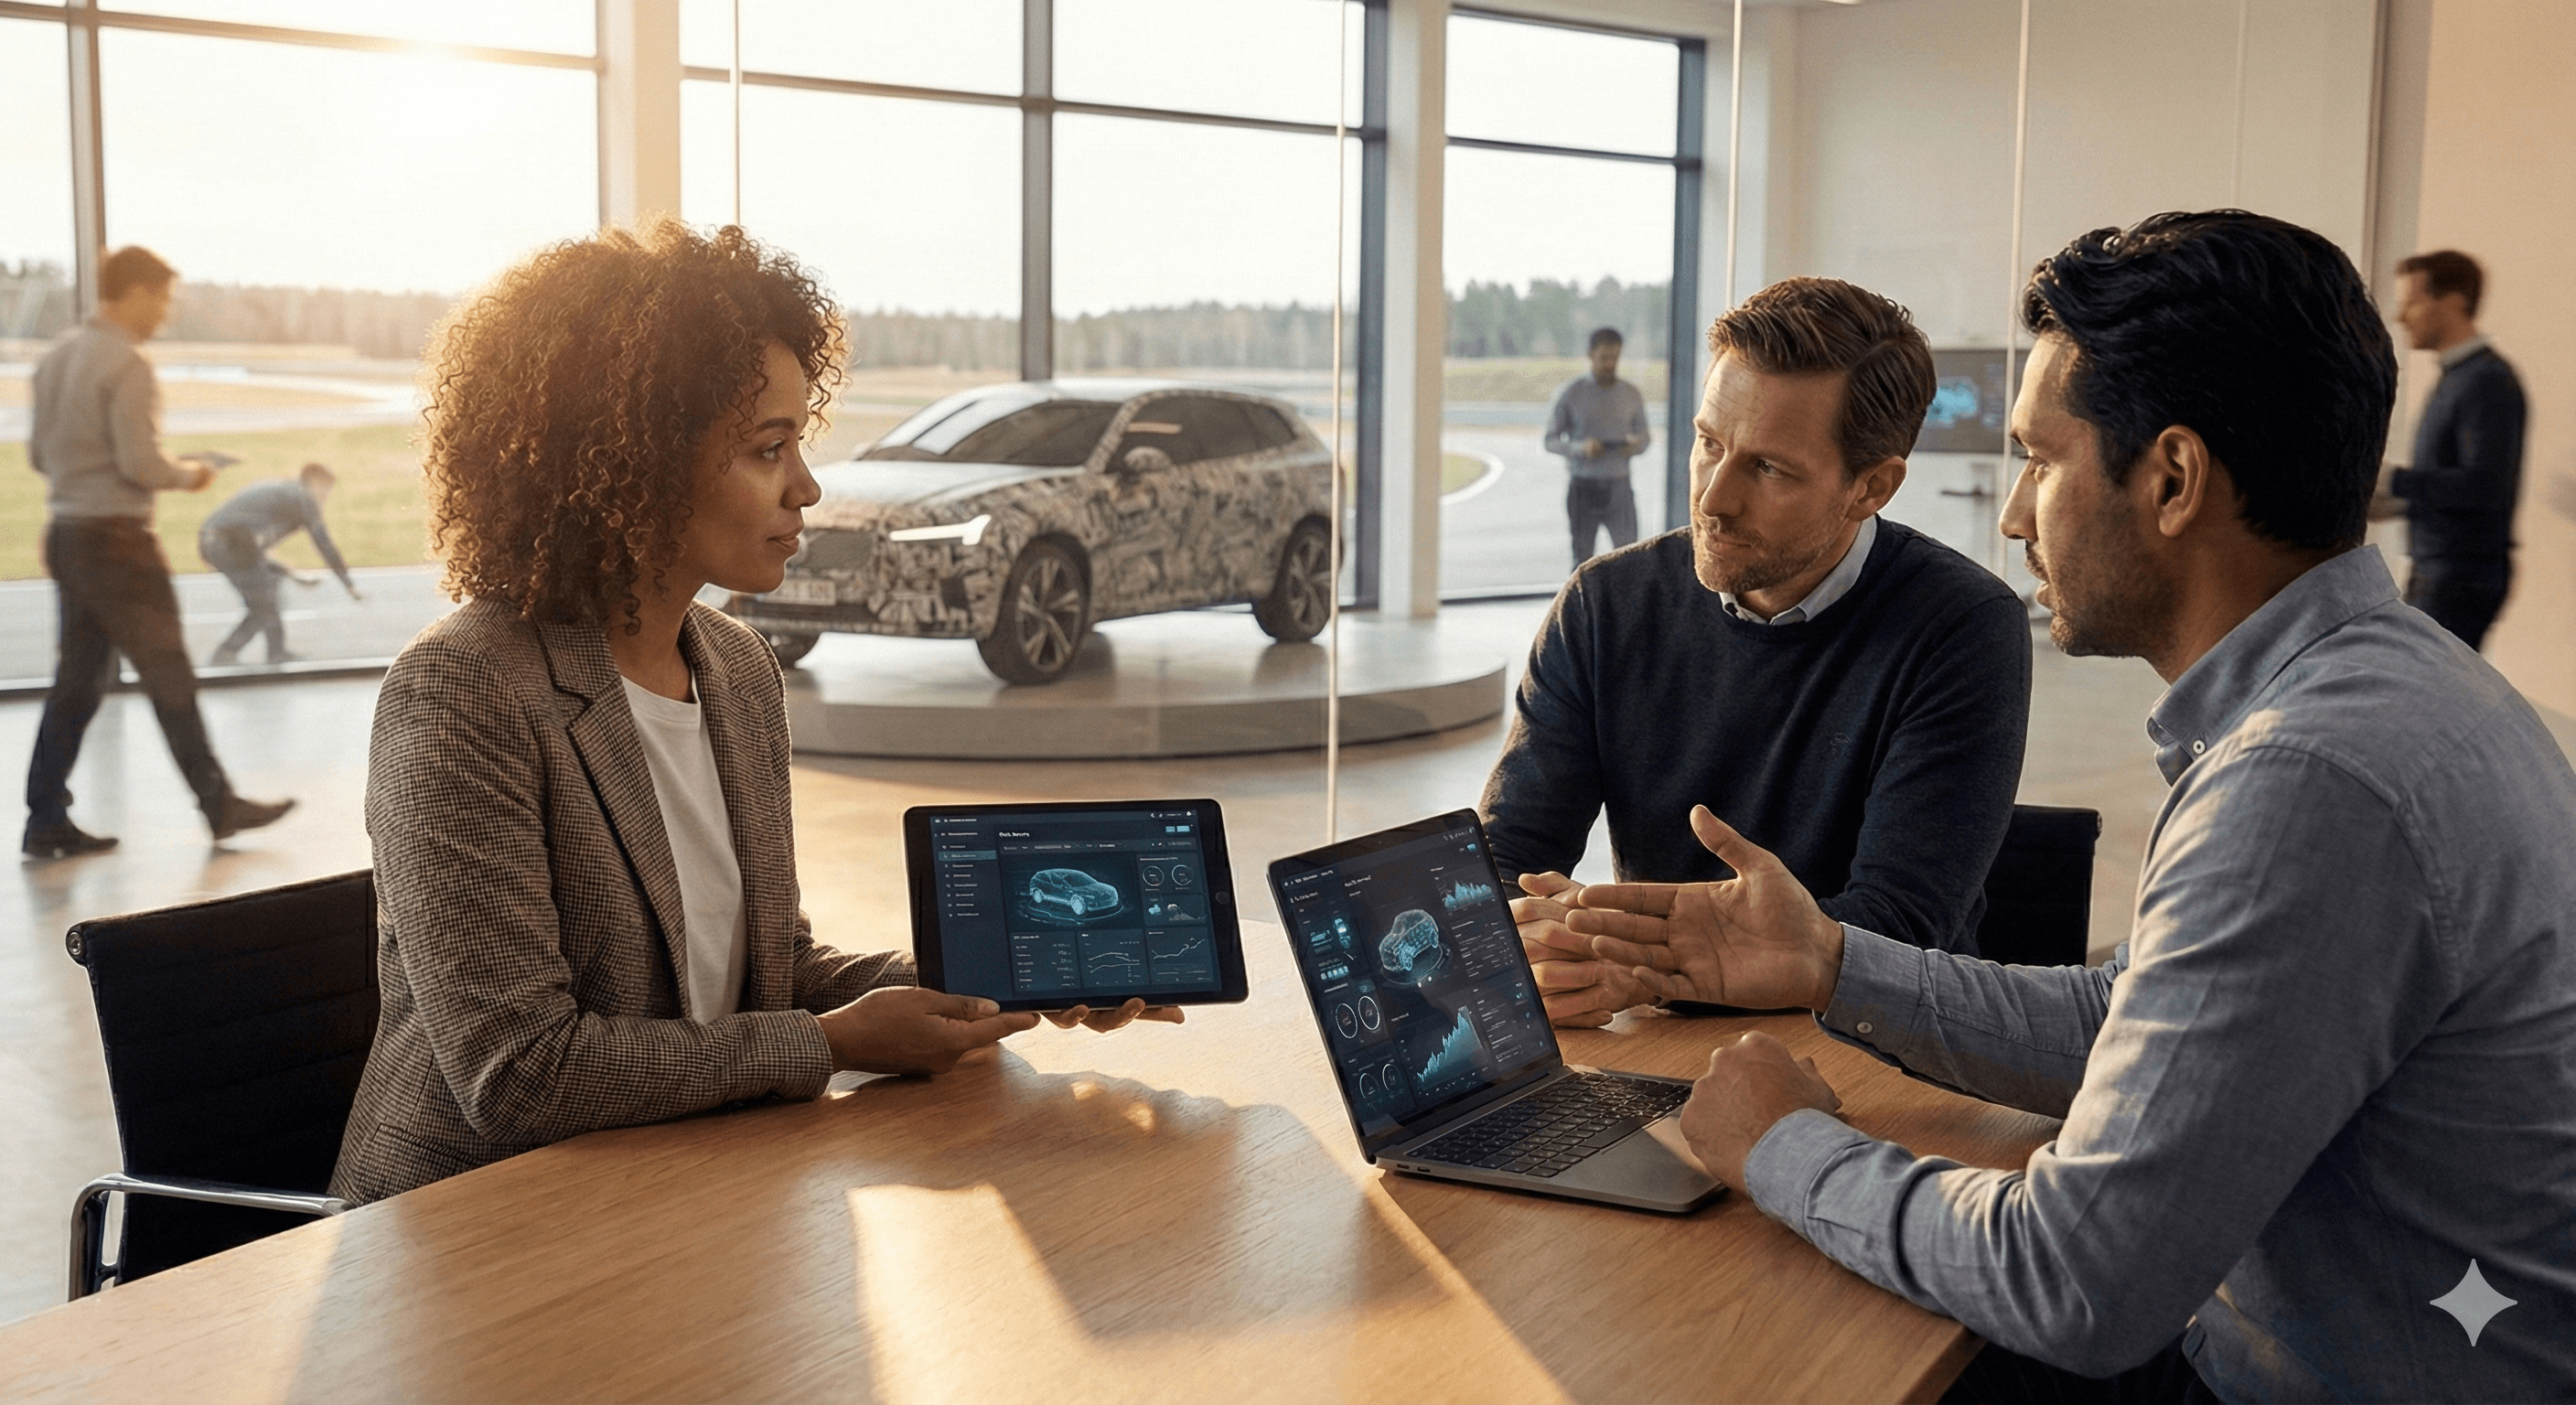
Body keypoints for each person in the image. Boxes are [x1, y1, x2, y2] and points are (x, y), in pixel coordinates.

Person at [1561, 213, 2576, 1400]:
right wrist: (1831, 962)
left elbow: (2075, 1280)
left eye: (2041, 463)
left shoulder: (2312, 778)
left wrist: (1782, 1145)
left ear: (2175, 480)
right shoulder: (2400, 687)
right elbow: (2137, 1020)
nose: (2012, 515)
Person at [331, 223, 1176, 1207]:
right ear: (628, 465)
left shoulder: (735, 668)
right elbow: (520, 1075)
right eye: (767, 448)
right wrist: (828, 1044)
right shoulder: (463, 693)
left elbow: (768, 972)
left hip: (688, 1186)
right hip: (478, 1226)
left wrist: (1009, 976)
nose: (807, 487)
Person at [1491, 278, 2030, 1027]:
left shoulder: (1963, 626)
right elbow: (1504, 859)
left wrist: (1645, 966)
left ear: (1871, 486)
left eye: (1769, 468)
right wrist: (1537, 941)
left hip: (1866, 1049)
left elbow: (1900, 927)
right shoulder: (1605, 603)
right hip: (1658, 1036)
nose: (1714, 497)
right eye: (1709, 442)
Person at [20, 244, 294, 858]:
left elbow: (39, 456)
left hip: (66, 535)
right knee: (170, 677)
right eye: (162, 299)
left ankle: (44, 818)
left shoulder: (55, 358)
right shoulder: (128, 364)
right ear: (137, 292)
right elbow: (139, 464)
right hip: (118, 543)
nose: (164, 314)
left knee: (78, 683)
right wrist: (192, 474)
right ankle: (219, 806)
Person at [2384, 250, 2527, 650]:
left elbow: (2484, 487)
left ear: (2454, 302)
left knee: (2422, 700)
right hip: (2444, 571)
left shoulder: (2486, 382)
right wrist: (2400, 503)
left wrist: (2394, 481)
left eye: (2413, 302)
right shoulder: (2461, 377)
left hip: (2457, 577)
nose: (2400, 317)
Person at [199, 461, 362, 666]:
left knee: (270, 593)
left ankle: (272, 652)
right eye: (325, 489)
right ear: (313, 481)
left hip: (219, 541)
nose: (325, 497)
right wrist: (348, 583)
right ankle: (231, 653)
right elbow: (323, 542)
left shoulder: (285, 492)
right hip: (229, 544)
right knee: (266, 602)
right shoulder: (303, 497)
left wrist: (292, 574)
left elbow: (252, 548)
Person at [1543, 327, 1652, 566]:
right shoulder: (1571, 393)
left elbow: (1645, 440)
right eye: (1604, 358)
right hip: (1584, 488)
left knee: (1630, 558)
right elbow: (1549, 441)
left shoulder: (1631, 393)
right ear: (1590, 355)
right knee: (1582, 561)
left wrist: (1632, 447)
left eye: (1614, 358)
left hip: (1620, 488)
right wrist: (1582, 448)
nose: (1609, 364)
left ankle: (1623, 605)